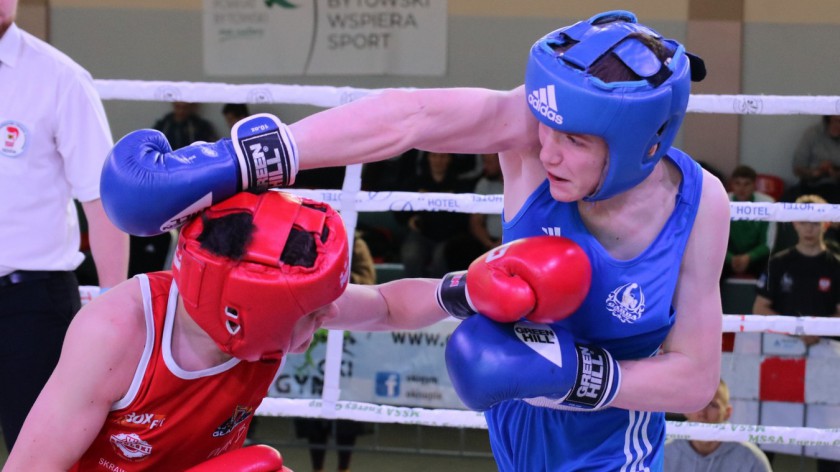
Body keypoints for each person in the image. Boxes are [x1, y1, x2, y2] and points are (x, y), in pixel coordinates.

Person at [99, 10, 728, 471]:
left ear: (646, 143)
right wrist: (246, 159)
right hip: (512, 453)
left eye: (577, 141)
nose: (548, 148)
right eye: (547, 127)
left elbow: (696, 381)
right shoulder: (538, 131)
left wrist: (575, 378)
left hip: (611, 457)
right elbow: (412, 116)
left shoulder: (699, 208)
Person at [3, 190, 450, 471]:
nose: (328, 315)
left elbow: (388, 306)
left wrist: (465, 293)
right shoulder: (116, 333)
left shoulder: (283, 301)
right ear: (247, 316)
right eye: (312, 313)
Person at [0, 0, 129, 451]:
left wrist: (117, 307)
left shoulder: (59, 78)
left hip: (29, 302)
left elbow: (104, 197)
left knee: (41, 454)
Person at [292, 233, 376, 472]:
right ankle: (316, 468)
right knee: (312, 415)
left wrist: (329, 283)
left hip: (348, 338)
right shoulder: (303, 240)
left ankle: (343, 468)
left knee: (346, 415)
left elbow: (368, 280)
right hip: (314, 339)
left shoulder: (356, 242)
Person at [753, 194, 840, 347]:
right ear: (795, 224)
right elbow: (760, 308)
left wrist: (816, 330)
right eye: (803, 222)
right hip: (783, 344)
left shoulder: (836, 266)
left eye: (814, 223)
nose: (809, 229)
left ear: (825, 224)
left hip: (827, 345)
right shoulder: (777, 263)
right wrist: (796, 330)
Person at [664, 379, 772, 471]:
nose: (702, 413)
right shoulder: (664, 453)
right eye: (697, 403)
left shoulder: (751, 459)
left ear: (727, 412)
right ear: (685, 409)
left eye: (712, 405)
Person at [725, 165, 776, 279]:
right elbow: (714, 241)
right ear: (732, 185)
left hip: (756, 259)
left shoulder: (767, 204)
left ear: (754, 185)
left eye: (746, 184)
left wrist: (748, 257)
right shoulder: (722, 202)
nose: (741, 189)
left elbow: (768, 244)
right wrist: (730, 258)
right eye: (737, 183)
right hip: (727, 258)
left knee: (771, 268)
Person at [784, 115, 840, 203]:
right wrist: (814, 173)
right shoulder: (813, 133)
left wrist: (836, 173)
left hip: (835, 187)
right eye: (836, 120)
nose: (837, 125)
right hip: (810, 185)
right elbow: (797, 168)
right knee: (786, 201)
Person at [152, 101, 219, 151]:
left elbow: (212, 148)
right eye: (178, 107)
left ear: (191, 107)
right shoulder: (163, 125)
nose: (181, 111)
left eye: (185, 108)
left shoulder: (201, 126)